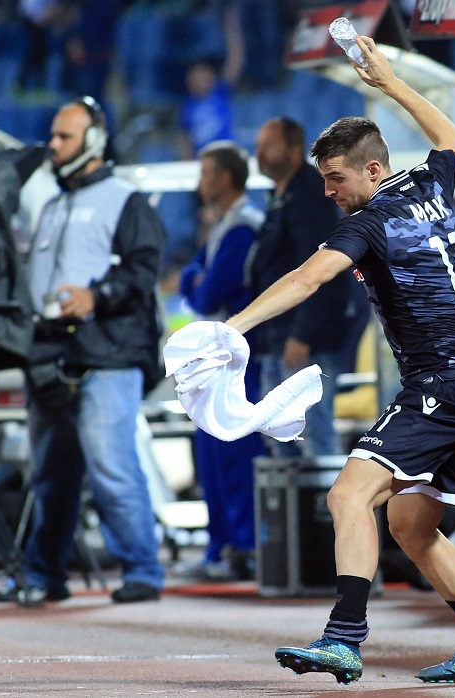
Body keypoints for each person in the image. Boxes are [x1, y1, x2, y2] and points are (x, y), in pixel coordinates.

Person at [225, 37, 455, 684]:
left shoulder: (368, 223)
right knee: (411, 525)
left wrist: (232, 329)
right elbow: (452, 138)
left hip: (441, 385)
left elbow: (307, 279)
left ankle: (344, 637)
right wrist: (389, 83)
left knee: (348, 494)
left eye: (337, 178)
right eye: (324, 179)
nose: (328, 191)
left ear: (374, 169)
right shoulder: (431, 184)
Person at [21, 96, 166, 604]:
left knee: (112, 467)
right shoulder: (50, 205)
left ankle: (143, 571)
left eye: (64, 136)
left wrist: (95, 296)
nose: (53, 145)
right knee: (50, 475)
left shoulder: (125, 200)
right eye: (53, 135)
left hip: (109, 355)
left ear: (96, 141)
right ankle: (44, 574)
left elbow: (143, 270)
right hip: (50, 356)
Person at [178, 141, 268, 580]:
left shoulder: (244, 227)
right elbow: (190, 280)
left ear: (226, 178)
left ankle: (243, 547)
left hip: (236, 360)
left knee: (233, 453)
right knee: (213, 456)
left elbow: (205, 292)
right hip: (216, 358)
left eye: (206, 173)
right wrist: (196, 280)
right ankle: (222, 546)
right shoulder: (225, 226)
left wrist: (197, 281)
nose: (200, 183)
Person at [251, 116, 366, 457]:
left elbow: (322, 270)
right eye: (258, 146)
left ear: (294, 149)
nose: (259, 153)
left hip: (304, 340)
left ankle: (330, 494)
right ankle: (298, 498)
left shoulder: (308, 196)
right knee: (279, 434)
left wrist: (302, 335)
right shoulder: (281, 196)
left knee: (313, 434)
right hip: (279, 335)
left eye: (269, 145)